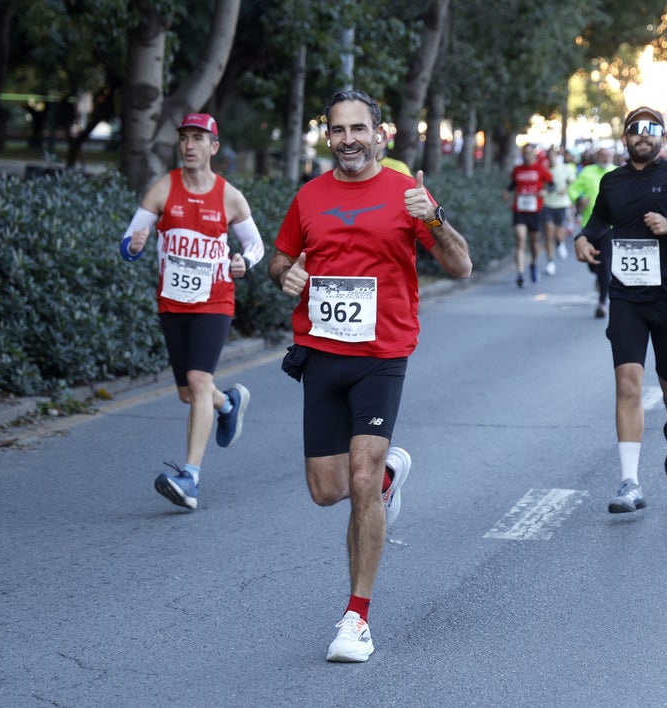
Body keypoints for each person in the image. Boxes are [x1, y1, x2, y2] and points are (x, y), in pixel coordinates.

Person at [267, 89, 472, 662]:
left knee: (359, 476)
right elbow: (280, 258)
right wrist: (284, 274)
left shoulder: (408, 195)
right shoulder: (309, 196)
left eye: (361, 129)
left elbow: (460, 266)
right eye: (339, 130)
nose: (350, 140)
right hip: (322, 353)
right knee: (327, 491)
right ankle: (385, 482)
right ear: (327, 136)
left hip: (382, 353)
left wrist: (434, 218)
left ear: (380, 135)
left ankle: (356, 619)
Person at [573, 107, 667, 514]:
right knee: (627, 383)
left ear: (663, 138)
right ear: (624, 138)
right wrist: (583, 239)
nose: (643, 135)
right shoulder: (612, 182)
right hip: (627, 297)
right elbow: (598, 222)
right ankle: (630, 482)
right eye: (635, 130)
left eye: (651, 130)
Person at [120, 113, 264, 511]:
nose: (189, 145)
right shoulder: (163, 188)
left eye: (199, 138)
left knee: (199, 380)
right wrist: (135, 244)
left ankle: (190, 478)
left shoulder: (229, 196)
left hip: (215, 301)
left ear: (213, 147)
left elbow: (256, 246)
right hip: (172, 303)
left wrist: (244, 264)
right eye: (185, 138)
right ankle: (228, 404)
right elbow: (128, 243)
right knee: (189, 393)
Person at [568, 144, 617, 318]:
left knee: (603, 263)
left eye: (608, 155)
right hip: (589, 226)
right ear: (597, 157)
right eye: (602, 155)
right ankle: (600, 278)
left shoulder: (617, 173)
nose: (605, 158)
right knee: (591, 264)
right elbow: (572, 190)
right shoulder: (587, 172)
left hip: (610, 227)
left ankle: (602, 302)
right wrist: (580, 200)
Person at [504, 144, 553, 287]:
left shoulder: (540, 168)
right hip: (519, 210)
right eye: (524, 153)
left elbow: (552, 184)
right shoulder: (517, 169)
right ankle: (520, 273)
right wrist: (507, 191)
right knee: (520, 239)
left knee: (534, 244)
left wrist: (545, 192)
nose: (527, 155)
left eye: (529, 153)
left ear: (534, 154)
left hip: (536, 211)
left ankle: (533, 263)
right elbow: (513, 184)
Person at [542, 146, 576, 269]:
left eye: (553, 156)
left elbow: (573, 182)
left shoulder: (565, 168)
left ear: (557, 157)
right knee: (548, 232)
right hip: (547, 204)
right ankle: (550, 262)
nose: (551, 159)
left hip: (562, 204)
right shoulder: (544, 170)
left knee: (558, 234)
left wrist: (566, 189)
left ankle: (560, 243)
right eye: (549, 156)